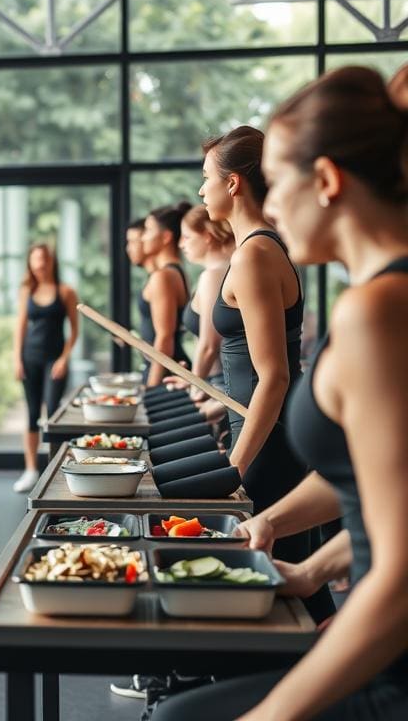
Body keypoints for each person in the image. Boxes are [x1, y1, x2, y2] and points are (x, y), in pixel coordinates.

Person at [151, 64, 408, 720]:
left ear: (324, 182)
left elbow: (400, 577)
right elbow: (371, 478)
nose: (270, 204)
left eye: (280, 180)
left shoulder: (378, 311)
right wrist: (291, 544)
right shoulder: (375, 298)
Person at [201, 125, 334, 623]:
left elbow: (273, 375)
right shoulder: (254, 249)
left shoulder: (256, 253)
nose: (201, 190)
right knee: (288, 571)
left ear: (233, 183)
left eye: (207, 178)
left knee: (281, 574)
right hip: (264, 430)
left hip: (270, 438)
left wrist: (236, 464)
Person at [12, 243, 79, 493]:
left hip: (55, 360)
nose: (40, 264)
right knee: (31, 413)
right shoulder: (27, 290)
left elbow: (74, 331)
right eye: (36, 259)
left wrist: (64, 359)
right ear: (30, 263)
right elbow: (20, 326)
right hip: (30, 358)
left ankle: (55, 469)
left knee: (52, 412)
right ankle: (30, 470)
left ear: (52, 262)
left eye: (44, 259)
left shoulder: (66, 291)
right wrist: (16, 359)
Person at [178, 204, 234, 387]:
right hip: (217, 384)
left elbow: (209, 346)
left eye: (187, 237)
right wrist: (191, 380)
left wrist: (195, 387)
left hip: (220, 388)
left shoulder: (213, 277)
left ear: (207, 237)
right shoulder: (219, 272)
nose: (181, 244)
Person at [138, 203, 192, 387]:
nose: (142, 237)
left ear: (166, 237)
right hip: (164, 368)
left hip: (165, 374)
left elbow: (164, 337)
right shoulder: (174, 272)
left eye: (147, 230)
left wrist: (152, 387)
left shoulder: (164, 276)